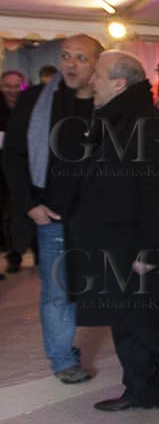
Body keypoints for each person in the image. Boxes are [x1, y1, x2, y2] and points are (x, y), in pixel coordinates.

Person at [64, 52, 159, 413]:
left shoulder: (149, 125)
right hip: (111, 241)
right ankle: (143, 392)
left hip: (136, 243)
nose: (91, 80)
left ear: (118, 83)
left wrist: (151, 250)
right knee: (122, 321)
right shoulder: (113, 120)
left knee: (140, 320)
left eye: (97, 75)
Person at [2, 35, 101, 380]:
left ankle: (145, 355)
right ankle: (62, 360)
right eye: (66, 56)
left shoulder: (107, 103)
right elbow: (13, 156)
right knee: (58, 291)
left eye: (81, 58)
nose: (71, 64)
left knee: (114, 285)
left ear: (97, 64)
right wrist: (31, 205)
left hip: (99, 217)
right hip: (53, 216)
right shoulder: (36, 100)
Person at [0, 69, 28, 274]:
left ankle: (31, 253)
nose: (12, 91)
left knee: (23, 211)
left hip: (25, 168)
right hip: (1, 169)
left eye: (16, 86)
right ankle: (13, 255)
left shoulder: (29, 105)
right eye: (8, 86)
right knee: (6, 214)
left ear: (23, 86)